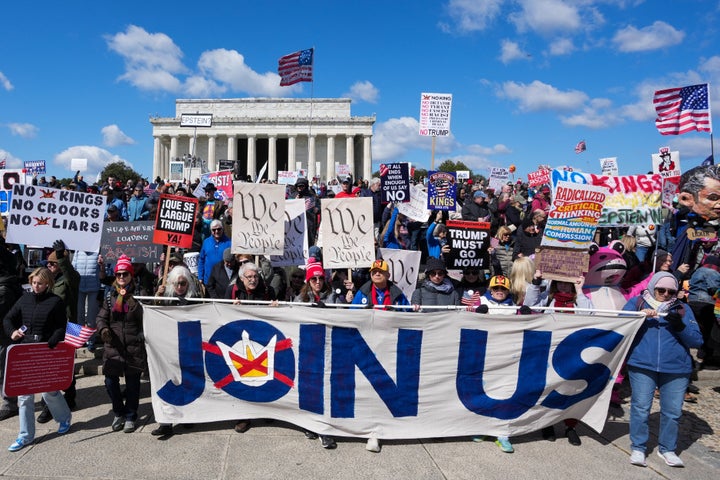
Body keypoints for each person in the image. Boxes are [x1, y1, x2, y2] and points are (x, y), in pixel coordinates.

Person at [623, 272, 703, 468]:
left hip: (676, 368)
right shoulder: (637, 302)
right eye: (661, 290)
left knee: (672, 411)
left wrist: (680, 326)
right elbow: (620, 324)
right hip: (642, 364)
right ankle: (639, 447)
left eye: (671, 291)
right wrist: (637, 319)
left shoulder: (683, 308)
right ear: (653, 288)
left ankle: (667, 449)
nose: (666, 294)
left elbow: (697, 340)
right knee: (641, 407)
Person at [3, 267, 72, 452]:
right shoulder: (24, 298)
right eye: (33, 282)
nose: (36, 286)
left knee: (50, 392)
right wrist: (12, 332)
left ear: (47, 283)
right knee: (24, 396)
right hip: (26, 352)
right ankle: (25, 436)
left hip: (45, 352)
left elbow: (61, 326)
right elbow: (8, 318)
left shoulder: (55, 301)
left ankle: (64, 418)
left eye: (40, 283)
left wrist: (52, 341)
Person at [524, 270, 592, 446]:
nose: (563, 285)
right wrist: (535, 282)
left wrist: (580, 291)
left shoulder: (578, 300)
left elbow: (590, 316)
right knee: (548, 389)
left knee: (571, 389)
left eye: (566, 282)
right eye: (560, 281)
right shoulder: (548, 298)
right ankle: (547, 424)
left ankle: (570, 426)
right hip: (549, 351)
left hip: (572, 352)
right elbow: (530, 306)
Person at [350, 259, 411, 452]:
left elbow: (407, 314)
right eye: (374, 271)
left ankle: (382, 426)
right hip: (367, 344)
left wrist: (414, 311)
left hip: (390, 344)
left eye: (380, 271)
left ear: (388, 275)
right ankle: (371, 430)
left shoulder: (397, 294)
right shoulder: (363, 292)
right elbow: (352, 315)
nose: (377, 274)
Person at [96, 255, 147, 434]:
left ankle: (131, 415)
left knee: (133, 385)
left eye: (125, 274)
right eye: (118, 274)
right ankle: (118, 412)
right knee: (111, 383)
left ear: (131, 275)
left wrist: (135, 302)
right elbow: (101, 317)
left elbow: (146, 318)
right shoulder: (110, 297)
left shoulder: (140, 294)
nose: (121, 278)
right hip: (113, 347)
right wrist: (103, 330)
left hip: (133, 347)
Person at [226, 261, 277, 434]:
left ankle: (266, 410)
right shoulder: (232, 291)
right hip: (240, 340)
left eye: (255, 276)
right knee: (243, 378)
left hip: (262, 339)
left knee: (265, 376)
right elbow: (220, 313)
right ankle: (243, 417)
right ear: (242, 278)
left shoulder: (268, 291)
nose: (253, 280)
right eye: (249, 277)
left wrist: (275, 309)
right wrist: (231, 309)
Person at [150, 265, 201, 438]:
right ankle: (165, 423)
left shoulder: (195, 299)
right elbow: (152, 312)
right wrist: (158, 296)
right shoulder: (165, 297)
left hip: (188, 347)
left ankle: (187, 416)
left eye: (183, 283)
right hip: (167, 347)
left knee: (189, 382)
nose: (180, 287)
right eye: (177, 283)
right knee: (165, 381)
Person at [472, 274, 517, 453]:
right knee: (484, 392)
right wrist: (477, 312)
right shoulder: (481, 301)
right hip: (486, 355)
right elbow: (464, 319)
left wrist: (528, 314)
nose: (499, 292)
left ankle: (502, 434)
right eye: (496, 289)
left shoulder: (513, 306)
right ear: (490, 289)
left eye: (503, 289)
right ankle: (482, 428)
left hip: (507, 357)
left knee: (505, 394)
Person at [198, 219, 232, 285]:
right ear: (211, 231)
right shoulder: (206, 242)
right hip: (208, 279)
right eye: (214, 230)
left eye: (219, 229)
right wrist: (200, 277)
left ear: (223, 229)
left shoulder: (229, 243)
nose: (216, 231)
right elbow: (201, 260)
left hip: (224, 280)